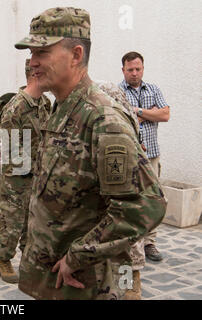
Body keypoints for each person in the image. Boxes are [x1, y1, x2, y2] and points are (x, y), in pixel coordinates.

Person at [14, 7, 167, 300]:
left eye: (42, 53)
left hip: (88, 285)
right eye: (31, 53)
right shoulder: (63, 107)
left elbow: (145, 205)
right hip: (54, 282)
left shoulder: (101, 119)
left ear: (75, 54)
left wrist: (78, 256)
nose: (32, 62)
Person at [119, 51, 170, 299]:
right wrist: (148, 112)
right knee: (132, 206)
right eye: (130, 69)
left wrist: (137, 111)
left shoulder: (154, 89)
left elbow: (166, 114)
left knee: (151, 201)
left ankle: (149, 242)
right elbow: (121, 119)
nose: (135, 73)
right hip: (130, 160)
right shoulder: (117, 92)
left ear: (142, 68)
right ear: (124, 70)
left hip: (152, 156)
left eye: (138, 69)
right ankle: (130, 274)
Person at [0, 59, 51, 283]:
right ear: (35, 75)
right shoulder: (15, 108)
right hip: (17, 178)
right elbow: (10, 150)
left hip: (39, 174)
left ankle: (29, 258)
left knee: (34, 220)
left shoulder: (45, 103)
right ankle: (4, 259)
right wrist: (35, 165)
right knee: (13, 219)